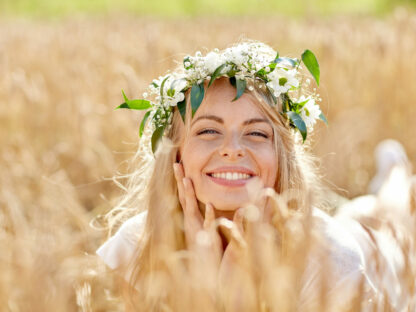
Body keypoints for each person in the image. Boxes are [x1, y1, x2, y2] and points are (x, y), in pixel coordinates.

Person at [96, 41, 414, 311]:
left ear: (281, 156)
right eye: (208, 130)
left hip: (377, 259)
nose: (232, 149)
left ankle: (396, 174)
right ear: (175, 154)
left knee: (384, 218)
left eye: (257, 134)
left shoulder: (333, 261)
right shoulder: (138, 247)